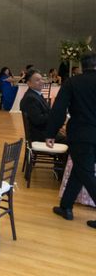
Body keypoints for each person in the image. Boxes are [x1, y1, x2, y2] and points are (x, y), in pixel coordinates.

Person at [45, 52, 96, 228]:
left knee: (86, 172)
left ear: (81, 66)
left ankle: (66, 207)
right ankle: (65, 206)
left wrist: (51, 133)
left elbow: (59, 109)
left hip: (81, 135)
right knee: (81, 169)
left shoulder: (73, 82)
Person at [20, 69, 64, 143]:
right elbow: (38, 120)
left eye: (42, 79)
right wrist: (54, 114)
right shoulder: (30, 98)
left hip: (44, 131)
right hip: (41, 136)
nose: (42, 82)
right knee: (74, 140)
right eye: (37, 80)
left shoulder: (36, 95)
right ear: (29, 83)